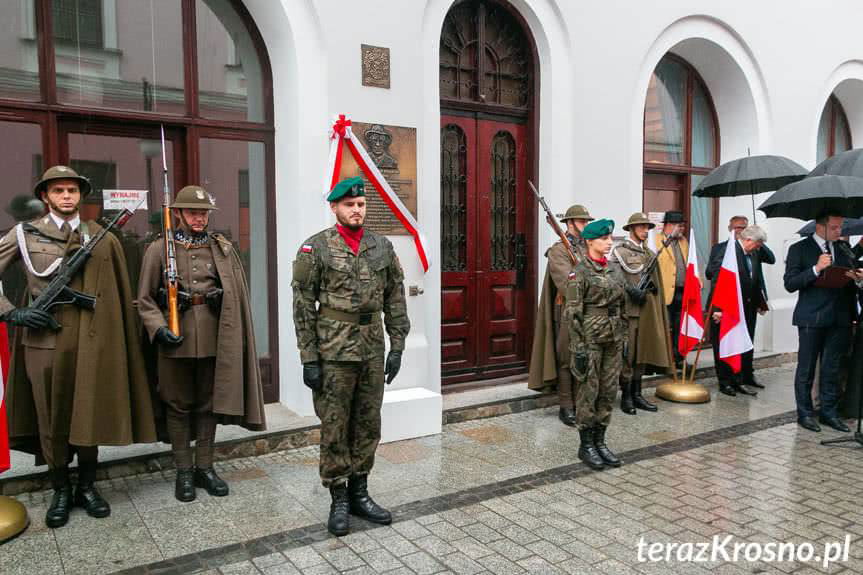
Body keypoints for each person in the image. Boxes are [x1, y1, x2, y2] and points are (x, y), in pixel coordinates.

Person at [0, 165, 156, 528]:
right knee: (51, 418)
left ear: (80, 196)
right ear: (45, 197)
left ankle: (87, 486)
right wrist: (13, 313)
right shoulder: (24, 234)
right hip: (46, 340)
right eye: (59, 191)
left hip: (92, 341)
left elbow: (119, 292)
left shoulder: (101, 237)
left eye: (72, 190)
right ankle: (60, 489)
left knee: (90, 412)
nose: (66, 197)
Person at [292, 177, 410, 536]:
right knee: (334, 425)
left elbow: (395, 297)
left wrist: (398, 345)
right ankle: (339, 498)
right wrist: (308, 357)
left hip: (372, 348)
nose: (356, 209)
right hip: (333, 351)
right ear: (334, 207)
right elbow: (302, 305)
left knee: (367, 423)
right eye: (349, 205)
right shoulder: (315, 249)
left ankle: (361, 492)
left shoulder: (382, 246)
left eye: (360, 204)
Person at [137, 185, 266, 502]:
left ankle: (205, 468)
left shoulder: (221, 247)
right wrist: (159, 328)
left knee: (208, 406)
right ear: (178, 213)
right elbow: (143, 300)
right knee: (177, 406)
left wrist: (223, 299)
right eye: (193, 212)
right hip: (174, 339)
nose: (199, 218)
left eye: (204, 213)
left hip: (212, 336)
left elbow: (236, 291)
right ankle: (183, 471)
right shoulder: (158, 249)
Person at [784, 213, 862, 433]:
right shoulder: (799, 249)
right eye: (835, 228)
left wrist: (857, 278)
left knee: (832, 368)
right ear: (820, 227)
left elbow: (849, 277)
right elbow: (790, 283)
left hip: (840, 318)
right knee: (807, 368)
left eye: (841, 227)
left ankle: (829, 412)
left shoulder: (844, 249)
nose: (840, 232)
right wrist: (816, 269)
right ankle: (805, 413)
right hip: (812, 317)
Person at [565, 218, 626, 470]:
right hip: (589, 339)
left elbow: (621, 306)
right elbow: (572, 313)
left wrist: (625, 338)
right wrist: (578, 348)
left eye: (610, 238)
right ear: (590, 241)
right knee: (588, 392)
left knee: (609, 390)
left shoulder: (614, 269)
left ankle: (600, 441)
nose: (609, 242)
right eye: (604, 239)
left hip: (613, 338)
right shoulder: (578, 272)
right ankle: (586, 445)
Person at [528, 204, 593, 426]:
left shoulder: (587, 247)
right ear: (570, 223)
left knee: (584, 357)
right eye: (582, 221)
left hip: (588, 310)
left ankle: (581, 401)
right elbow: (567, 284)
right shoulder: (558, 250)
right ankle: (566, 406)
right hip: (567, 311)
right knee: (567, 359)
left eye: (586, 222)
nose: (585, 225)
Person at [610, 213, 673, 414]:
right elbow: (614, 280)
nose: (646, 230)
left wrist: (652, 289)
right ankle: (626, 396)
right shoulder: (620, 252)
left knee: (641, 355)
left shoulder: (648, 253)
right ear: (631, 229)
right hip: (629, 311)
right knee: (628, 355)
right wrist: (629, 291)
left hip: (646, 311)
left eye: (647, 227)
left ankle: (638, 394)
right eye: (641, 227)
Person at [706, 225, 770, 397]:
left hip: (746, 308)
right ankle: (725, 382)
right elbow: (718, 280)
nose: (759, 247)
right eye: (758, 244)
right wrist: (718, 309)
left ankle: (738, 380)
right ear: (748, 240)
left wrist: (760, 303)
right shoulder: (728, 251)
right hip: (727, 308)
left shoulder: (754, 253)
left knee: (741, 345)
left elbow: (755, 279)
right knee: (725, 346)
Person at [653, 211, 688, 365]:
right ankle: (664, 360)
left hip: (682, 292)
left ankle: (678, 358)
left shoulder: (683, 241)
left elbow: (689, 264)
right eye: (680, 226)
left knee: (680, 328)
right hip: (664, 293)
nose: (682, 229)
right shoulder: (655, 241)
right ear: (669, 225)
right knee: (665, 328)